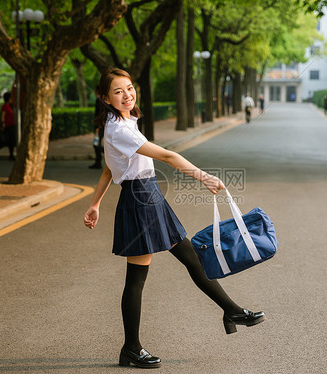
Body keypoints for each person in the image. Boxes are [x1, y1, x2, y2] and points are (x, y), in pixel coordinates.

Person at [83, 69, 265, 369]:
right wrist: (203, 176)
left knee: (192, 258)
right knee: (137, 279)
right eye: (118, 91)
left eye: (129, 88)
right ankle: (131, 348)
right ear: (106, 98)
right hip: (139, 200)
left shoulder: (125, 121)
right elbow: (166, 156)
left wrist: (95, 204)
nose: (127, 95)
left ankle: (231, 310)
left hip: (149, 196)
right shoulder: (119, 129)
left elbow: (108, 167)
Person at [88, 92, 104, 169]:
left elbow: (99, 114)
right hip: (100, 127)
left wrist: (98, 127)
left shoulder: (99, 101)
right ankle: (98, 162)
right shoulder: (103, 101)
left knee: (96, 144)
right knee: (96, 144)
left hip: (99, 127)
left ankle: (98, 162)